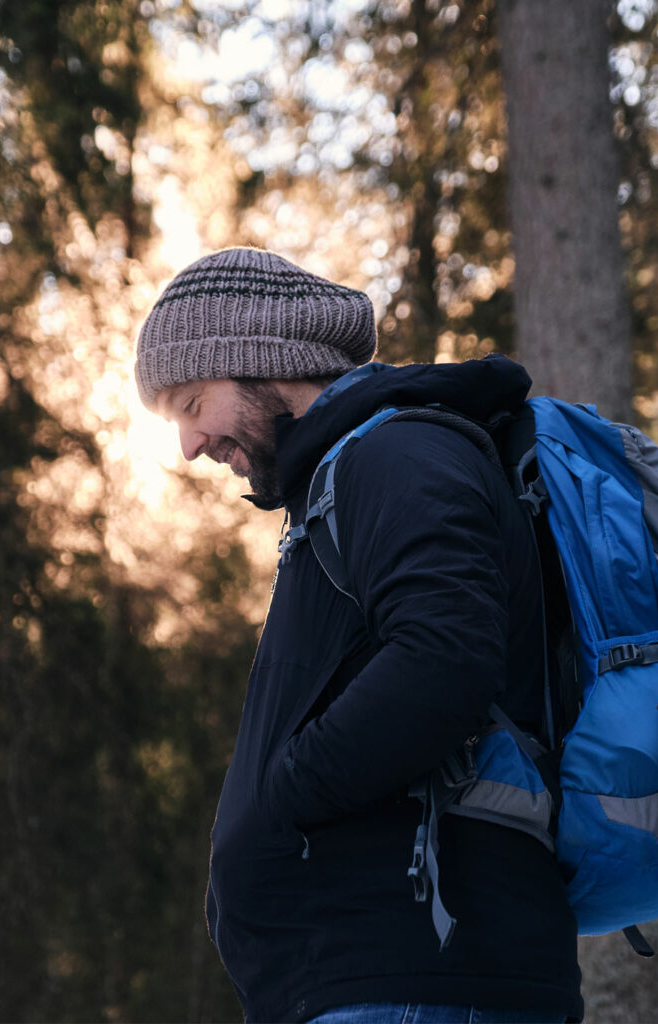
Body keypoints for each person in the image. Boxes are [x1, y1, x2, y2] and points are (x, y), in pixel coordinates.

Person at [135, 247, 582, 1024]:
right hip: (379, 978)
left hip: (414, 977)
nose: (190, 444)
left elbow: (445, 657)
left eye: (192, 402)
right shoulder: (344, 483)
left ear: (263, 361)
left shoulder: (397, 454)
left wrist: (288, 792)